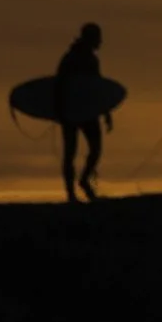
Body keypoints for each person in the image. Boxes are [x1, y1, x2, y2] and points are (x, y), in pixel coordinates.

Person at [56, 21, 115, 203]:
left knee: (95, 150)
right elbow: (59, 86)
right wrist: (60, 111)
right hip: (71, 113)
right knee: (70, 153)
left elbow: (97, 87)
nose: (100, 42)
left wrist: (106, 112)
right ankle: (71, 194)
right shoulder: (70, 59)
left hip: (88, 112)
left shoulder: (92, 60)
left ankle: (82, 181)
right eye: (98, 38)